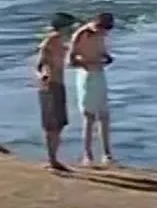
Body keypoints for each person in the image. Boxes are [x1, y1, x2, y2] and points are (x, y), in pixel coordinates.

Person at [69, 11, 116, 166]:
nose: (104, 33)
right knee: (89, 117)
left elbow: (101, 50)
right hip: (87, 75)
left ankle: (107, 154)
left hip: (99, 74)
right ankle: (87, 154)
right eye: (102, 29)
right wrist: (87, 64)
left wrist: (106, 57)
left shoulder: (101, 35)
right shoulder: (82, 34)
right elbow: (71, 60)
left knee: (104, 115)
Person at [34, 12, 76, 171]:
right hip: (51, 85)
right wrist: (43, 74)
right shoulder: (50, 41)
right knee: (52, 125)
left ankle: (54, 158)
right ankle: (52, 159)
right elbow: (40, 64)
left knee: (59, 124)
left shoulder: (60, 41)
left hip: (59, 83)